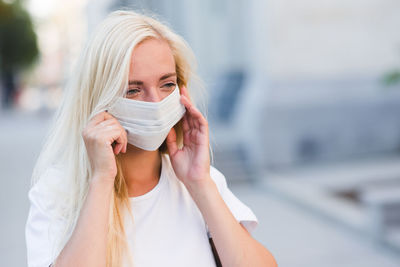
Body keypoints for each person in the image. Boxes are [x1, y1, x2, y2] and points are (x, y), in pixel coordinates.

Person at [25, 10, 277, 267]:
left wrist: (199, 183)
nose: (156, 102)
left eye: (167, 84)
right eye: (133, 90)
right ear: (100, 99)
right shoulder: (55, 193)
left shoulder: (201, 182)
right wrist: (101, 180)